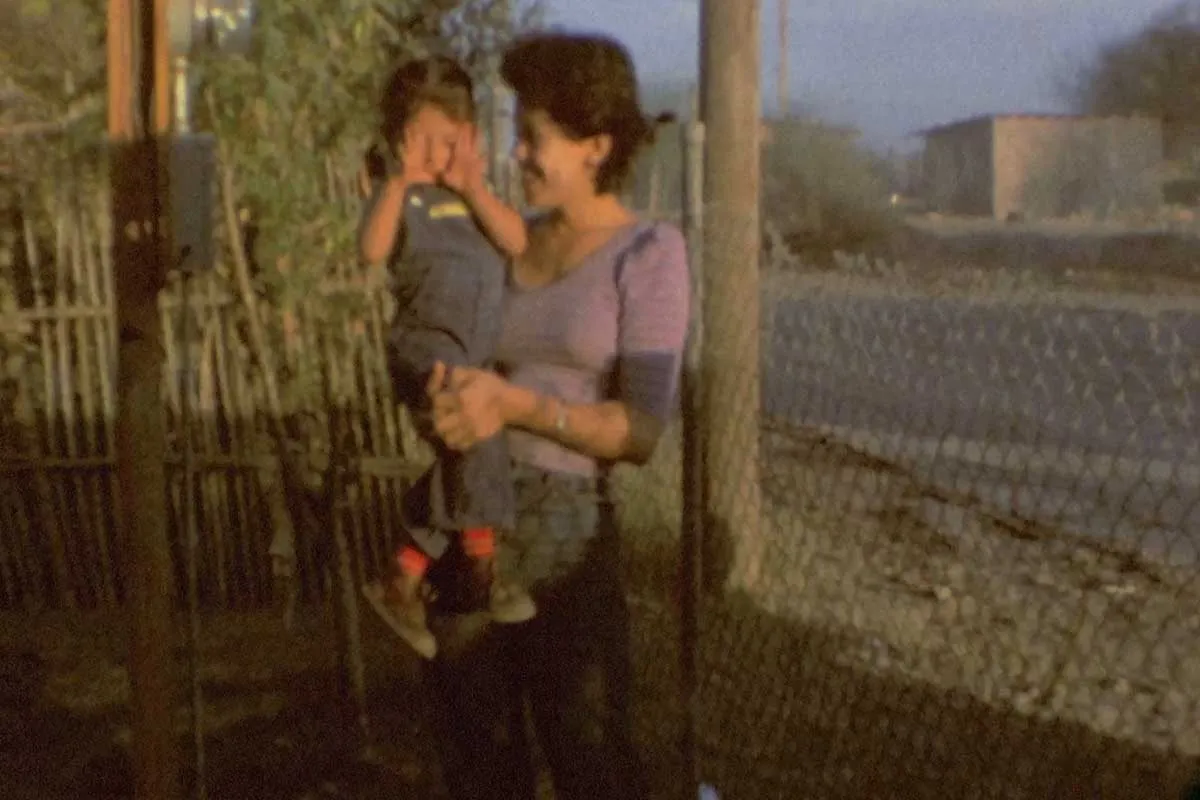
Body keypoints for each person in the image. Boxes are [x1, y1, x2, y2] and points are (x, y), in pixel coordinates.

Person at [415, 32, 690, 800]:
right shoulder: (508, 241)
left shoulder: (648, 254)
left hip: (566, 536)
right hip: (473, 510)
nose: (520, 154)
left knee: (590, 758)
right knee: (477, 755)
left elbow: (639, 433)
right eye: (515, 133)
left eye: (533, 137)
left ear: (596, 146)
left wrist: (516, 405)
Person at [358, 55, 536, 660]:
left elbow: (518, 242)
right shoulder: (402, 198)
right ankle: (483, 573)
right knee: (476, 431)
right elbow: (372, 249)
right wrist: (397, 181)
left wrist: (474, 186)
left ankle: (402, 577)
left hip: (475, 356)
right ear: (400, 140)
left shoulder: (477, 201)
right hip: (424, 348)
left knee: (472, 450)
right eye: (425, 142)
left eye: (452, 140)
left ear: (474, 138)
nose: (439, 154)